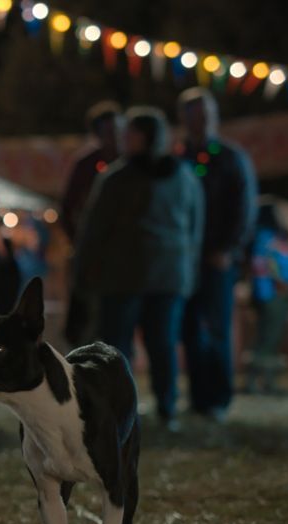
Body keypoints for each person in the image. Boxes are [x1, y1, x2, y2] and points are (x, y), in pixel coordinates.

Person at [77, 107, 204, 431]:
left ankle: (116, 410)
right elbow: (195, 226)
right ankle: (167, 408)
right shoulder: (185, 176)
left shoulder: (118, 176)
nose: (124, 138)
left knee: (117, 346)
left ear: (142, 137)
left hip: (124, 273)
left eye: (130, 133)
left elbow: (95, 227)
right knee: (162, 343)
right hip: (169, 273)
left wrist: (85, 268)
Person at [178, 87, 258, 422]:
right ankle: (198, 398)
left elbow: (244, 208)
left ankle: (219, 399)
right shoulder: (178, 158)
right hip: (185, 260)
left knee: (217, 328)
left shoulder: (230, 157)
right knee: (189, 329)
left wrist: (228, 249)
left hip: (218, 260)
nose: (200, 121)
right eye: (194, 115)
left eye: (205, 114)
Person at [60, 101, 125, 346]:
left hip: (123, 256)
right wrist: (79, 241)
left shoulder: (131, 163)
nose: (114, 137)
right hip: (91, 255)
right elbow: (67, 208)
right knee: (87, 316)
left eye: (118, 130)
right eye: (108, 132)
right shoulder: (86, 165)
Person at [241, 200, 288, 396]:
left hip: (276, 292)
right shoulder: (265, 236)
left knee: (271, 340)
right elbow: (264, 263)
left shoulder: (271, 236)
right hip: (272, 293)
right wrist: (280, 282)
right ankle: (256, 382)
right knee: (267, 340)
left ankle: (266, 381)